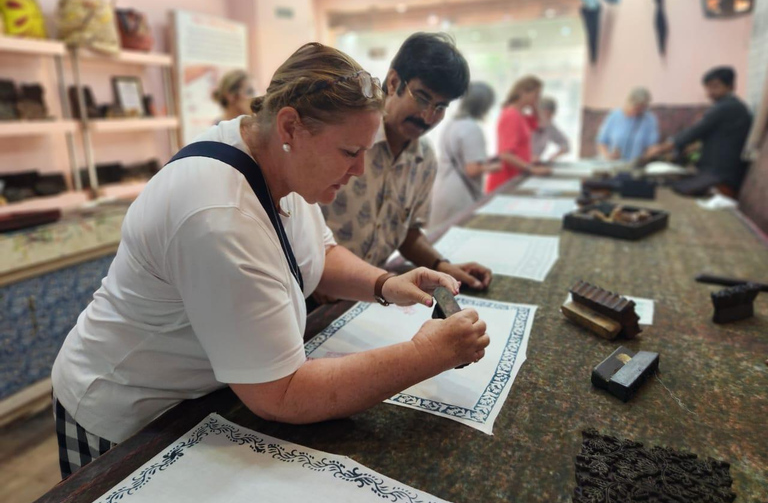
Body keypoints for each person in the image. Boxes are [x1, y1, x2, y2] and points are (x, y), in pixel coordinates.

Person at [51, 43, 489, 479]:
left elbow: (319, 254)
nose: (360, 169)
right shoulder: (219, 216)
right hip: (128, 411)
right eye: (349, 152)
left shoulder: (275, 157)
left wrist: (385, 284)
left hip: (198, 396)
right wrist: (425, 354)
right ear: (290, 126)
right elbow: (281, 394)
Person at [320, 32, 492, 293]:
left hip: (370, 290)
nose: (428, 116)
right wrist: (315, 275)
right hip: (315, 289)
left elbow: (407, 232)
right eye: (422, 98)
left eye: (440, 107)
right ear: (393, 81)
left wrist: (442, 265)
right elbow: (296, 217)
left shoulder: (424, 158)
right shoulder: (345, 138)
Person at [643, 66, 753, 196]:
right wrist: (693, 148)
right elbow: (715, 136)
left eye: (715, 86)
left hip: (722, 177)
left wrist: (661, 148)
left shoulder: (728, 107)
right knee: (670, 184)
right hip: (715, 172)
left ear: (731, 86)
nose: (710, 92)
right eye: (708, 87)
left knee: (672, 188)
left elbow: (694, 131)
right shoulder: (732, 107)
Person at [429, 81, 500, 232]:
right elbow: (472, 169)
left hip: (442, 189)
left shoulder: (452, 123)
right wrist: (494, 166)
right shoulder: (472, 128)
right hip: (460, 195)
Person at [485, 75, 551, 194]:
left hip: (516, 175)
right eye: (536, 95)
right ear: (523, 92)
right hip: (505, 179)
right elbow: (505, 154)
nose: (538, 99)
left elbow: (542, 124)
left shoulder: (520, 115)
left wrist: (535, 106)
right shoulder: (512, 115)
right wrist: (531, 169)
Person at [596, 87, 659, 161]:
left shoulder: (649, 119)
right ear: (629, 103)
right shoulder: (614, 116)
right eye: (636, 108)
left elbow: (652, 146)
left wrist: (647, 156)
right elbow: (602, 141)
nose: (638, 112)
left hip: (636, 166)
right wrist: (607, 156)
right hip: (614, 165)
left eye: (642, 109)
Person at [531, 96, 570, 163]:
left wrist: (554, 156)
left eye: (550, 115)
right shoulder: (525, 123)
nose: (546, 118)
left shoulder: (550, 127)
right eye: (544, 114)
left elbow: (565, 144)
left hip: (534, 164)